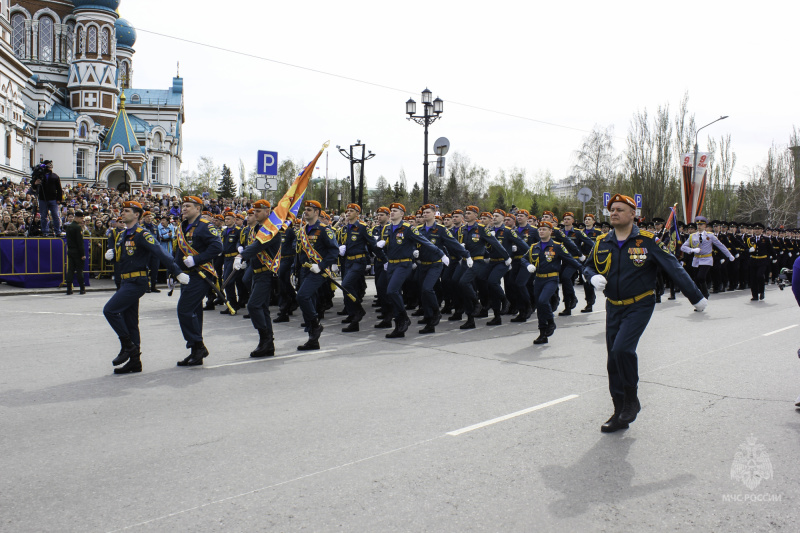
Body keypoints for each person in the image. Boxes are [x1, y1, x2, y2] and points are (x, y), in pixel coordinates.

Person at [584, 194, 706, 433]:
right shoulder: (602, 241)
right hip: (614, 306)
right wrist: (591, 276)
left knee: (622, 350)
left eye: (620, 209)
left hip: (640, 304)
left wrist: (696, 297)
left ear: (633, 214)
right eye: (612, 209)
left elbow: (674, 267)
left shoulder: (648, 241)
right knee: (613, 361)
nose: (614, 213)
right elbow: (587, 265)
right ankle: (619, 411)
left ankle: (632, 400)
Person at [102, 201, 188, 374]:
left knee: (110, 310)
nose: (123, 213)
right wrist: (110, 255)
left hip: (137, 281)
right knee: (131, 322)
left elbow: (160, 252)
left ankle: (128, 347)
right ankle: (135, 362)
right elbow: (123, 258)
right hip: (125, 281)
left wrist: (176, 271)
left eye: (127, 211)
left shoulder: (142, 234)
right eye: (122, 210)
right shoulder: (122, 235)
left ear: (136, 215)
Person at [375, 202, 445, 337]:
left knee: (392, 290)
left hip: (404, 264)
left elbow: (424, 242)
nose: (392, 212)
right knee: (391, 293)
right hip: (391, 265)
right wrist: (382, 250)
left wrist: (441, 254)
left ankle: (403, 318)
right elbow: (385, 247)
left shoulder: (408, 228)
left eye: (396, 210)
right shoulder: (387, 229)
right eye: (391, 210)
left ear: (402, 214)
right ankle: (399, 327)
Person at [173, 196, 223, 366]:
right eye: (183, 206)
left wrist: (197, 259)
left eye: (188, 206)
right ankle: (196, 351)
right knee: (194, 312)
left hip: (200, 274)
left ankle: (198, 345)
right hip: (187, 275)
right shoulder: (183, 226)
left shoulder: (205, 226)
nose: (184, 208)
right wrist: (174, 272)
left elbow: (217, 247)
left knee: (184, 310)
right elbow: (179, 252)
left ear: (198, 208)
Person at [522, 220, 582, 344]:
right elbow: (524, 258)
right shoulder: (534, 247)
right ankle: (542, 333)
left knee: (543, 300)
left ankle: (551, 321)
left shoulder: (557, 246)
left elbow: (571, 260)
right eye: (539, 229)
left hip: (551, 278)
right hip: (538, 279)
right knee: (540, 305)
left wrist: (584, 271)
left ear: (550, 231)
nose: (541, 231)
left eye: (544, 229)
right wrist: (528, 265)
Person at [235, 200, 281, 357]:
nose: (255, 213)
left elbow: (258, 246)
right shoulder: (256, 229)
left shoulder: (271, 230)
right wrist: (246, 261)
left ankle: (265, 340)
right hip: (256, 272)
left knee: (253, 306)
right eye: (254, 211)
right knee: (262, 308)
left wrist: (242, 256)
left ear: (267, 212)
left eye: (259, 211)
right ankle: (268, 343)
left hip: (266, 274)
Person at [295, 200, 339, 350]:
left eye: (309, 209)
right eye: (305, 209)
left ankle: (315, 325)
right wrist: (296, 271)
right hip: (305, 270)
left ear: (317, 213)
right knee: (309, 300)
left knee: (302, 296)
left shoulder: (325, 230)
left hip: (318, 271)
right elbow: (300, 253)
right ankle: (313, 339)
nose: (305, 212)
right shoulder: (303, 230)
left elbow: (334, 252)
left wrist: (320, 265)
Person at [339, 203, 384, 332]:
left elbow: (373, 245)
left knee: (346, 285)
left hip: (359, 261)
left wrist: (384, 259)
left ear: (357, 214)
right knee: (346, 288)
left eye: (351, 211)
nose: (348, 213)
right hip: (348, 261)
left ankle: (358, 310)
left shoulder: (363, 228)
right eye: (347, 211)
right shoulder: (346, 228)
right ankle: (353, 317)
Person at [680, 215, 735, 298]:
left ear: (705, 226)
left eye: (701, 224)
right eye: (698, 224)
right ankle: (700, 297)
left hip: (707, 259)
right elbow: (683, 247)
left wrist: (729, 255)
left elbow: (721, 246)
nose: (699, 226)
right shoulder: (692, 236)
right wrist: (692, 250)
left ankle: (705, 294)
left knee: (701, 277)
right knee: (697, 280)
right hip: (696, 259)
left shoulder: (710, 236)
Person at [31, 160, 63, 236]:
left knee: (55, 215)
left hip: (53, 199)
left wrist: (59, 199)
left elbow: (59, 189)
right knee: (43, 216)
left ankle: (57, 231)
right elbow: (33, 185)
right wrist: (35, 183)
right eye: (48, 165)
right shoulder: (40, 175)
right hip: (42, 199)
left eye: (51, 165)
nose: (50, 166)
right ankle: (45, 231)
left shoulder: (55, 176)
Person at [64, 210, 87, 295]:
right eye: (81, 218)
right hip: (77, 251)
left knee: (70, 270)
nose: (82, 220)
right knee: (79, 270)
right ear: (77, 218)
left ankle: (69, 289)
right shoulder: (77, 228)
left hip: (70, 250)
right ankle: (82, 288)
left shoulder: (69, 227)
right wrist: (83, 254)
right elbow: (80, 242)